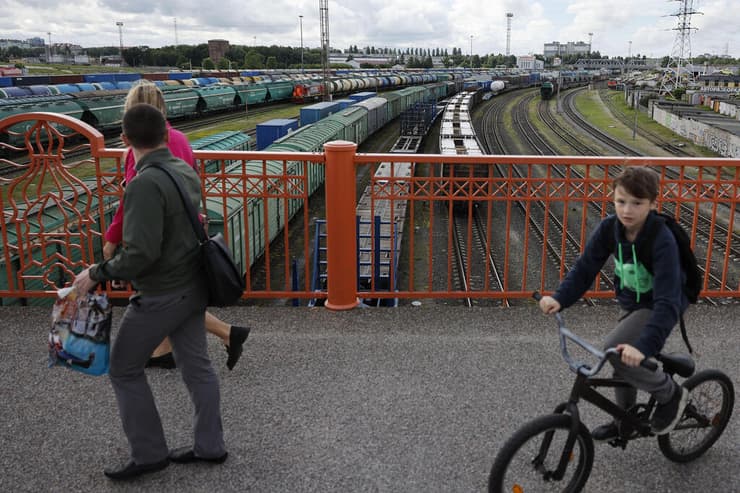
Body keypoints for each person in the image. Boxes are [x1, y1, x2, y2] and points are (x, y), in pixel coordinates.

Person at [74, 103, 228, 480]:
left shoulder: (143, 184)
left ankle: (148, 454)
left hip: (162, 293)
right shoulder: (183, 170)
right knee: (197, 366)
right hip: (193, 285)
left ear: (125, 140)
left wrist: (95, 273)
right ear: (165, 135)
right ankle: (210, 446)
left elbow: (141, 254)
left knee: (124, 368)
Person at [104, 79, 249, 371]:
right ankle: (168, 349)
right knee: (176, 294)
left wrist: (111, 238)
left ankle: (211, 337)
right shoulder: (180, 140)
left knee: (159, 294)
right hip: (188, 231)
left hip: (156, 235)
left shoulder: (140, 148)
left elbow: (133, 200)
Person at [538, 166, 689, 440]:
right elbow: (586, 267)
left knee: (617, 351)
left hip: (661, 303)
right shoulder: (611, 228)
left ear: (653, 204)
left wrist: (643, 347)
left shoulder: (661, 240)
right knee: (623, 355)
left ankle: (670, 393)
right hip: (633, 300)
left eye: (637, 203)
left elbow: (667, 302)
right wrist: (560, 299)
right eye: (621, 202)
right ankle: (625, 421)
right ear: (613, 198)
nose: (627, 210)